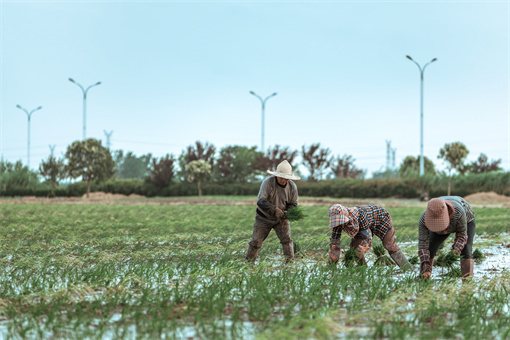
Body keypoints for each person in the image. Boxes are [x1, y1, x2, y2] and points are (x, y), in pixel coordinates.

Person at [245, 160, 300, 263]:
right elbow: (261, 201)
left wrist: (288, 212)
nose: (283, 180)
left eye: (286, 178)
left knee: (287, 241)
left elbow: (293, 204)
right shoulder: (268, 183)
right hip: (263, 218)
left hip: (281, 219)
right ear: (276, 176)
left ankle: (290, 262)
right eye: (281, 177)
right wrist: (274, 210)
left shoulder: (292, 187)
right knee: (255, 242)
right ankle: (249, 263)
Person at [328, 204, 411, 269]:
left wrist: (359, 252)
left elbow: (367, 239)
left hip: (381, 218)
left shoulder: (359, 215)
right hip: (367, 224)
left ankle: (407, 268)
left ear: (346, 216)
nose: (341, 224)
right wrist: (332, 264)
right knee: (353, 247)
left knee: (389, 245)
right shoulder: (337, 224)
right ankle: (363, 268)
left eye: (342, 221)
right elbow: (334, 244)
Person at [418, 196, 475, 280]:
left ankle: (467, 280)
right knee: (430, 248)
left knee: (466, 250)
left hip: (466, 220)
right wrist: (426, 267)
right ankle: (425, 277)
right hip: (441, 220)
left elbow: (462, 236)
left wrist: (454, 252)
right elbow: (423, 245)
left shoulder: (459, 212)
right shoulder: (424, 219)